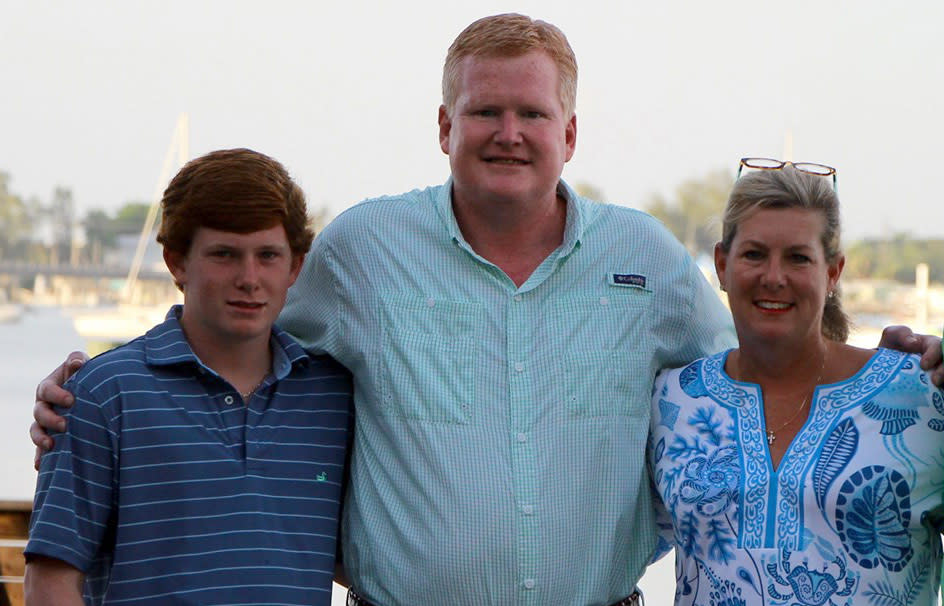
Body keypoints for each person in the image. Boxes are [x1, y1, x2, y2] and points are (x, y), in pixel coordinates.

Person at [31, 15, 944, 606]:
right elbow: (238, 334)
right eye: (485, 112)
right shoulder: (361, 251)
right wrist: (89, 388)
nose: (509, 132)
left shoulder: (647, 261)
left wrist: (885, 362)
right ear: (444, 127)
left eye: (532, 115)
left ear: (569, 134)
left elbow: (761, 358)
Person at [24, 148, 352, 605]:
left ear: (295, 266)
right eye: (224, 254)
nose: (249, 277)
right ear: (177, 262)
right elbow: (51, 582)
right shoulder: (103, 395)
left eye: (268, 255)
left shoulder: (335, 397)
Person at [648, 161, 944, 605]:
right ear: (722, 265)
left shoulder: (923, 398)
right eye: (754, 254)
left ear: (832, 273)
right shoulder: (672, 401)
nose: (774, 277)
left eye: (798, 258)